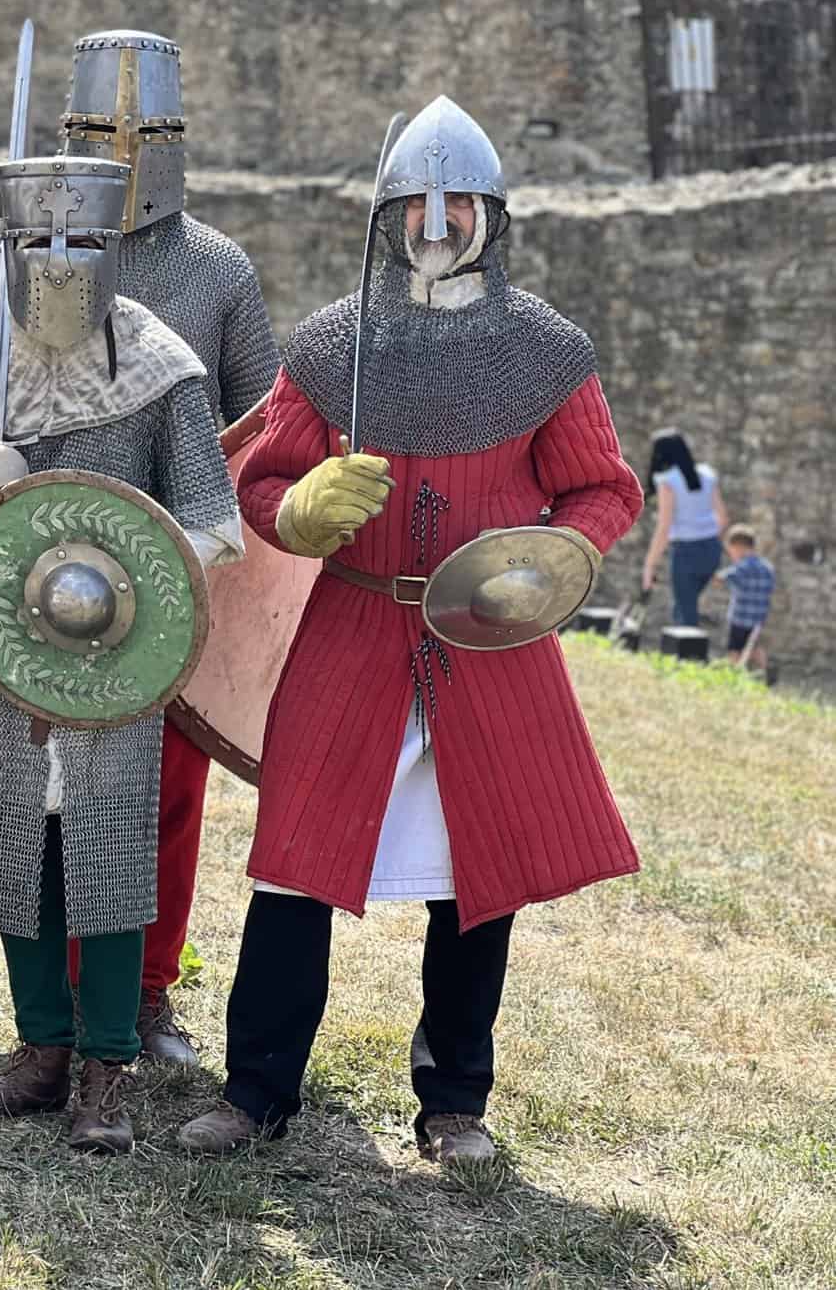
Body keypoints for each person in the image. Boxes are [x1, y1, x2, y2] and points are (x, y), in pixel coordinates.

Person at [177, 97, 644, 1167]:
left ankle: (454, 1102)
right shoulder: (338, 343)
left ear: (492, 212)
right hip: (355, 631)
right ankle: (256, 1094)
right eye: (418, 201)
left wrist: (548, 557)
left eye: (458, 200)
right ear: (389, 215)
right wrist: (295, 511)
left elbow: (602, 490)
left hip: (489, 640)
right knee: (294, 870)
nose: (438, 219)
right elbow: (266, 477)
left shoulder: (545, 351)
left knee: (479, 876)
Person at [0, 155, 244, 1155]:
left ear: (113, 247)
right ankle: (39, 1051)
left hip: (113, 655)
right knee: (18, 835)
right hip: (3, 646)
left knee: (107, 848)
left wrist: (140, 563)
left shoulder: (159, 363)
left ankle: (104, 1066)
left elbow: (216, 525)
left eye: (79, 240)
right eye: (34, 239)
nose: (53, 261)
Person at [55, 29, 279, 1067]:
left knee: (168, 792)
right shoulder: (39, 246)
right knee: (53, 791)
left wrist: (210, 539)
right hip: (48, 560)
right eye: (104, 127)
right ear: (70, 129)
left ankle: (147, 991)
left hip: (175, 563)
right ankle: (53, 1001)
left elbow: (258, 427)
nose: (129, 150)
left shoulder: (218, 270)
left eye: (151, 129)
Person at [641, 429, 727, 628]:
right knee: (686, 608)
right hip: (712, 549)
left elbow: (664, 527)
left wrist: (649, 565)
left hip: (686, 552)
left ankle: (690, 658)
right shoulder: (707, 474)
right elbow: (723, 519)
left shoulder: (667, 481)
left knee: (685, 615)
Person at [719, 524, 775, 672]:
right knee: (755, 647)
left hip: (740, 617)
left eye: (731, 550)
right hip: (758, 618)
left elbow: (722, 578)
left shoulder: (741, 568)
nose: (731, 555)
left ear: (738, 547)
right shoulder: (767, 567)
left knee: (734, 649)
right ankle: (765, 669)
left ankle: (734, 673)